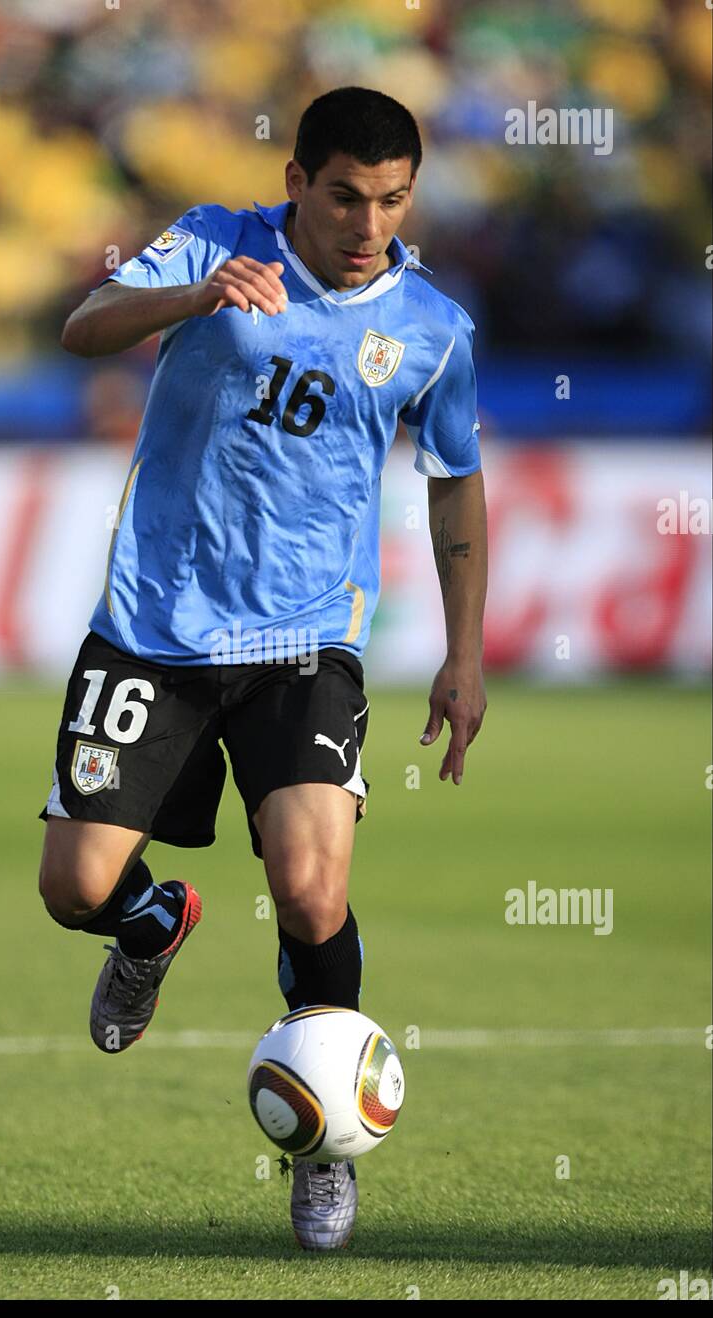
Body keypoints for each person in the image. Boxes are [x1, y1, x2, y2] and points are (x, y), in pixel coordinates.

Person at [38, 86, 487, 1251]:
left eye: (390, 201)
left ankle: (324, 1140)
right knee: (74, 889)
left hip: (306, 641)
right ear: (295, 182)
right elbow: (83, 323)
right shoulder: (212, 238)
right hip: (152, 626)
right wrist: (192, 297)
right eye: (344, 195)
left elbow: (453, 480)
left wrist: (464, 650)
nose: (366, 222)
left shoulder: (432, 328)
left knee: (310, 889)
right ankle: (150, 928)